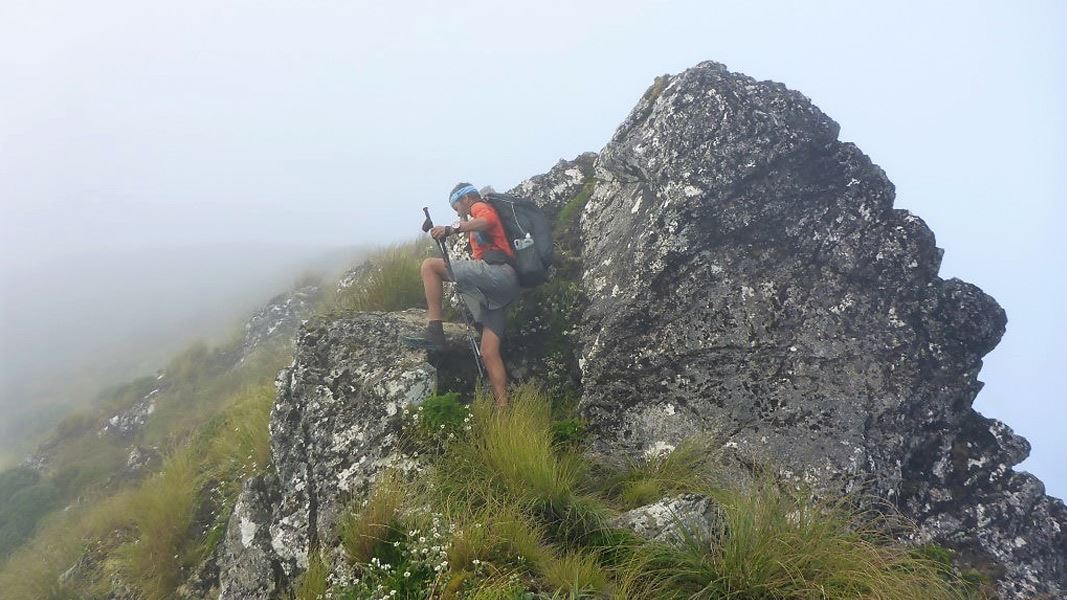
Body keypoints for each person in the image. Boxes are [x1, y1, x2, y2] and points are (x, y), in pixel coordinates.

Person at [421, 182, 521, 407]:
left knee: (429, 266)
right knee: (488, 351)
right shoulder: (474, 220)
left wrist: (451, 229)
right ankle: (503, 409)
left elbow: (488, 220)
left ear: (465, 199)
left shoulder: (478, 206)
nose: (456, 211)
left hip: (499, 273)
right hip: (503, 287)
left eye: (455, 205)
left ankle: (435, 330)